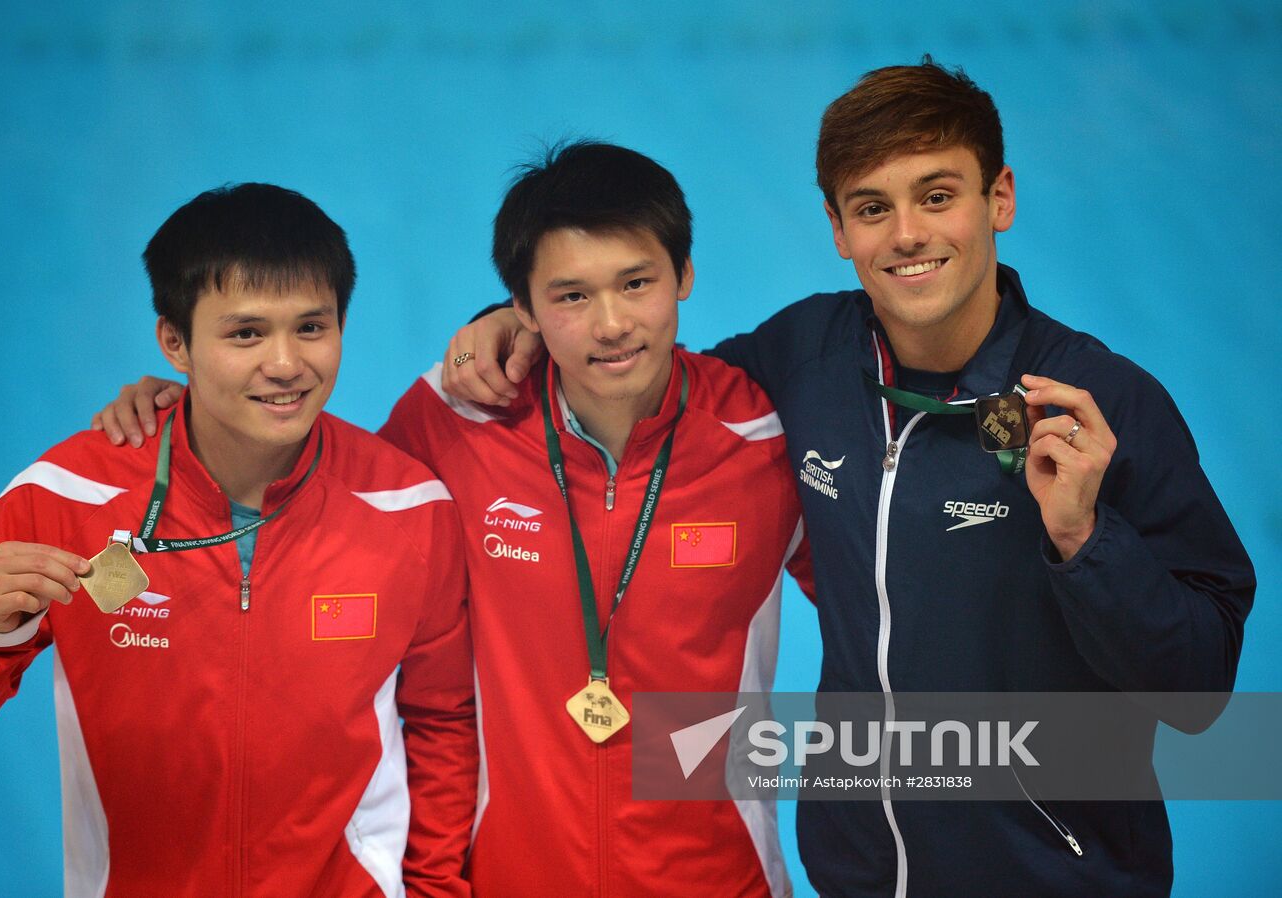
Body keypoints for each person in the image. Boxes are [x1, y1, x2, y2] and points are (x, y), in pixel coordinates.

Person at [437, 61, 1256, 897]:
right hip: (858, 875)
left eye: (937, 196)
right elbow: (644, 382)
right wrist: (513, 325)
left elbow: (1197, 694)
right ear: (837, 227)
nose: (906, 234)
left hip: (1053, 876)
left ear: (998, 198)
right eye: (872, 207)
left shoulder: (1101, 402)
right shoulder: (806, 360)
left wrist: (1086, 540)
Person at [91, 143, 815, 897]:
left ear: (684, 276)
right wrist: (187, 407)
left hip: (719, 881)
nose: (611, 323)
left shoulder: (765, 438)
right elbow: (317, 502)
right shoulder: (456, 418)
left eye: (637, 283)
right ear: (523, 309)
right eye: (569, 296)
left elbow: (890, 614)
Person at [0, 184, 477, 898]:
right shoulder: (65, 496)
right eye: (245, 334)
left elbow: (444, 725)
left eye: (311, 327)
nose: (286, 363)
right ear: (175, 342)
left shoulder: (407, 505)